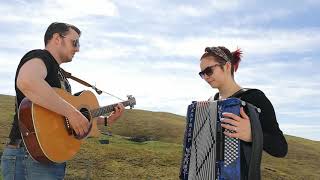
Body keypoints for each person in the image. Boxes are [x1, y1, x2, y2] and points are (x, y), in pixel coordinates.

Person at [1, 22, 125, 180]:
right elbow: (27, 81)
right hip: (28, 155)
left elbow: (66, 119)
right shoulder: (41, 57)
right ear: (57, 38)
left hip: (47, 157)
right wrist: (71, 112)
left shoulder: (62, 78)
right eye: (75, 42)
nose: (78, 48)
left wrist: (106, 121)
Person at [199, 46, 288, 179]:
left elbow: (280, 148)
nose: (205, 77)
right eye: (202, 74)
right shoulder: (211, 102)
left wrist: (253, 134)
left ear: (227, 66)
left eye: (209, 70)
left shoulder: (255, 98)